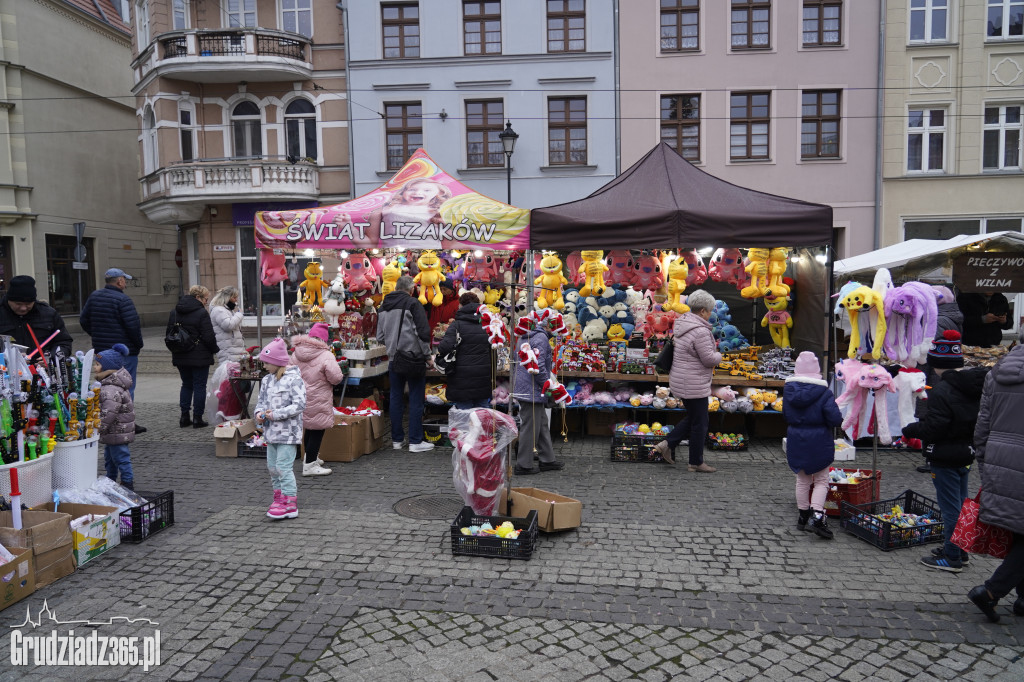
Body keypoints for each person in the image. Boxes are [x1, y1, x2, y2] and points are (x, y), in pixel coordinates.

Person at [902, 331, 989, 572]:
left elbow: (936, 427)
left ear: (936, 363)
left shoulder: (942, 391)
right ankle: (959, 549)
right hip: (965, 453)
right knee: (961, 505)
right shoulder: (974, 387)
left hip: (945, 456)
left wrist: (911, 429)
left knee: (951, 509)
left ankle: (952, 558)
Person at [967, 342, 1024, 622]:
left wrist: (985, 461)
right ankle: (991, 591)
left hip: (1000, 459)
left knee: (1019, 528)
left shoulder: (997, 372)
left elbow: (983, 424)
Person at [654, 289, 721, 472]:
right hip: (694, 382)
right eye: (709, 310)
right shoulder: (700, 331)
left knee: (695, 417)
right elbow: (708, 359)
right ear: (702, 311)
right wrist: (719, 355)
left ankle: (667, 444)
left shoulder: (683, 324)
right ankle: (696, 462)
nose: (710, 314)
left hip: (682, 378)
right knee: (700, 422)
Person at [783, 351, 844, 539]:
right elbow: (834, 419)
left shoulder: (789, 391)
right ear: (817, 370)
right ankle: (817, 515)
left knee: (802, 479)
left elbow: (785, 415)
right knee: (821, 480)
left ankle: (803, 517)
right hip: (818, 439)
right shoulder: (824, 393)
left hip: (796, 437)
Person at [377, 275, 434, 452]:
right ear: (411, 289)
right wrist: (428, 356)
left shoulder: (383, 306)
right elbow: (422, 333)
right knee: (416, 399)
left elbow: (379, 337)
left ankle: (396, 440)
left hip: (394, 359)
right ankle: (416, 442)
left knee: (395, 398)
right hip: (413, 358)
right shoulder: (413, 304)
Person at [254, 338, 306, 520]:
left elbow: (299, 405)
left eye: (267, 362)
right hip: (271, 433)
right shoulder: (267, 380)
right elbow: (260, 402)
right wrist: (259, 413)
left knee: (283, 467)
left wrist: (276, 414)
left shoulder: (294, 380)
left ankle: (290, 502)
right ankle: (279, 497)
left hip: (288, 433)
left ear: (276, 362)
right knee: (272, 468)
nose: (264, 366)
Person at [80, 268, 144, 405]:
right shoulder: (123, 300)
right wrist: (138, 345)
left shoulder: (94, 296)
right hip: (123, 352)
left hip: (102, 351)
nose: (125, 283)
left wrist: (96, 334)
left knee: (104, 386)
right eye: (124, 280)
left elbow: (83, 320)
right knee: (125, 387)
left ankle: (105, 416)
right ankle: (124, 419)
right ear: (120, 281)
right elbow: (133, 327)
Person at [512, 315, 563, 475]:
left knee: (540, 422)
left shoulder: (528, 334)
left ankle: (547, 459)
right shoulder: (540, 337)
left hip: (527, 386)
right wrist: (548, 385)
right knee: (530, 426)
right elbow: (538, 366)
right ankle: (524, 464)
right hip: (532, 388)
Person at [290, 322, 343, 476]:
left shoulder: (296, 353)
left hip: (300, 397)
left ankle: (310, 457)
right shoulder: (326, 355)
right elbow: (336, 377)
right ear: (324, 339)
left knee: (309, 427)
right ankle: (310, 466)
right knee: (318, 429)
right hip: (319, 398)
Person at [167, 285, 219, 428]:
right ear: (198, 298)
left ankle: (184, 417)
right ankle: (197, 418)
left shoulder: (175, 312)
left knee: (186, 385)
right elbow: (208, 337)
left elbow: (169, 334)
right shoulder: (201, 313)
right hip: (199, 355)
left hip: (180, 354)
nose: (206, 302)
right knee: (199, 386)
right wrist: (215, 350)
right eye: (206, 299)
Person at [436, 291, 494, 410]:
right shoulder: (487, 324)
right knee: (482, 414)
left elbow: (444, 347)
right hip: (482, 375)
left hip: (461, 378)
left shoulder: (457, 325)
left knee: (464, 416)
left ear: (461, 306)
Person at [95, 344, 135, 490]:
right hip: (114, 431)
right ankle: (110, 480)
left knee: (121, 458)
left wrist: (99, 427)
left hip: (117, 430)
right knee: (110, 459)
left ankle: (127, 483)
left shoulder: (110, 388)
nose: (95, 367)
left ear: (108, 368)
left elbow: (109, 412)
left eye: (98, 364)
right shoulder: (110, 384)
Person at [0, 275, 73, 356]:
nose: (23, 308)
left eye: (28, 304)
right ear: (9, 300)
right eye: (18, 304)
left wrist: (52, 357)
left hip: (43, 367)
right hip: (6, 367)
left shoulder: (49, 314)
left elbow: (64, 342)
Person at [209, 286, 245, 364]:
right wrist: (239, 314)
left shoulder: (226, 309)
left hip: (232, 348)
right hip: (228, 349)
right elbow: (228, 326)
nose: (236, 300)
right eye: (234, 297)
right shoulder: (219, 310)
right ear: (227, 297)